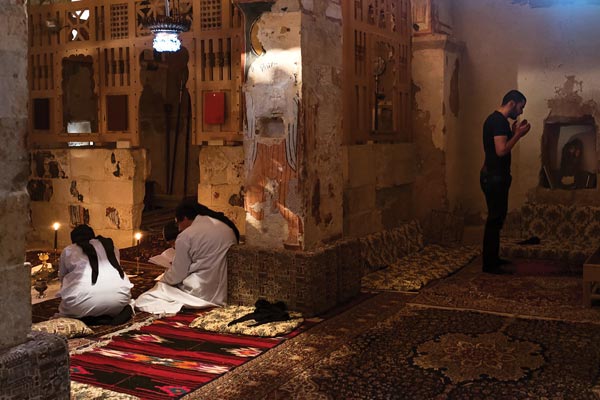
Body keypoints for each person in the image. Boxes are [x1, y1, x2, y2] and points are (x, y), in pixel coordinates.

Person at [135, 200, 240, 314]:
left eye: (178, 223)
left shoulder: (186, 236)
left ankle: (179, 307)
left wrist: (163, 280)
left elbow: (177, 275)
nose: (179, 228)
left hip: (199, 293)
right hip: (222, 293)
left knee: (143, 299)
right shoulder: (224, 227)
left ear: (185, 218)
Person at [480, 90, 531, 274]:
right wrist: (518, 136)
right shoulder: (499, 121)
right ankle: (489, 264)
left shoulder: (497, 121)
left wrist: (513, 133)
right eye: (520, 107)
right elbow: (501, 151)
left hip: (494, 176)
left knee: (497, 219)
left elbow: (497, 150)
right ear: (512, 103)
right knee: (494, 220)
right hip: (494, 178)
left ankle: (492, 259)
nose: (520, 112)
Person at [57, 224, 134, 325]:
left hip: (79, 307)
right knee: (130, 302)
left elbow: (62, 278)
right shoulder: (111, 246)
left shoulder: (69, 250)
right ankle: (115, 313)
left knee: (66, 309)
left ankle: (85, 318)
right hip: (119, 303)